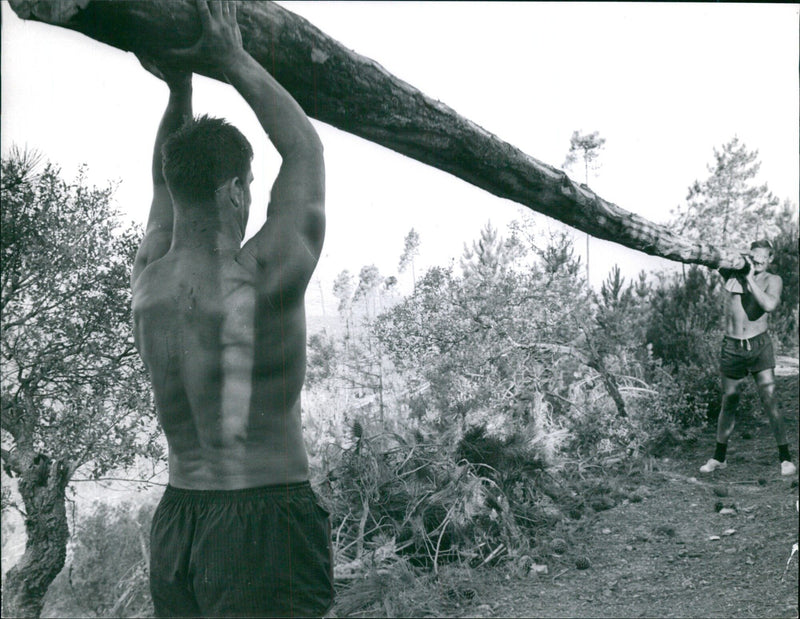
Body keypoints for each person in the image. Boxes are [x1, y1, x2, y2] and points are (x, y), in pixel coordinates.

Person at [130, 1, 332, 616]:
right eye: (249, 183)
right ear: (236, 189)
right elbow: (305, 152)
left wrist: (179, 87)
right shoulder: (261, 275)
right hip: (263, 522)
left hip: (178, 524)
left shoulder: (148, 282)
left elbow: (164, 185)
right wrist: (231, 57)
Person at [699, 239, 796, 477]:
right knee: (729, 400)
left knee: (769, 399)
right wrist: (738, 258)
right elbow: (714, 257)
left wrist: (751, 277)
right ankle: (719, 457)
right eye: (755, 257)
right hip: (732, 346)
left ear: (770, 258)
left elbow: (770, 305)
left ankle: (785, 458)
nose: (759, 261)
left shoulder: (773, 279)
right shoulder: (732, 273)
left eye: (764, 257)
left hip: (759, 345)